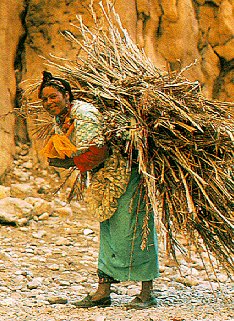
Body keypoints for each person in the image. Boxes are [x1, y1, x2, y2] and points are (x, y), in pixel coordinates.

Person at [38, 71, 159, 309]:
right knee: (109, 228)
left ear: (67, 96)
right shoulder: (62, 118)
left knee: (135, 225)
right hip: (106, 176)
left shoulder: (84, 114)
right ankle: (103, 291)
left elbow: (97, 151)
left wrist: (69, 162)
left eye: (53, 97)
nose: (49, 102)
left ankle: (147, 292)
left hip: (126, 173)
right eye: (45, 99)